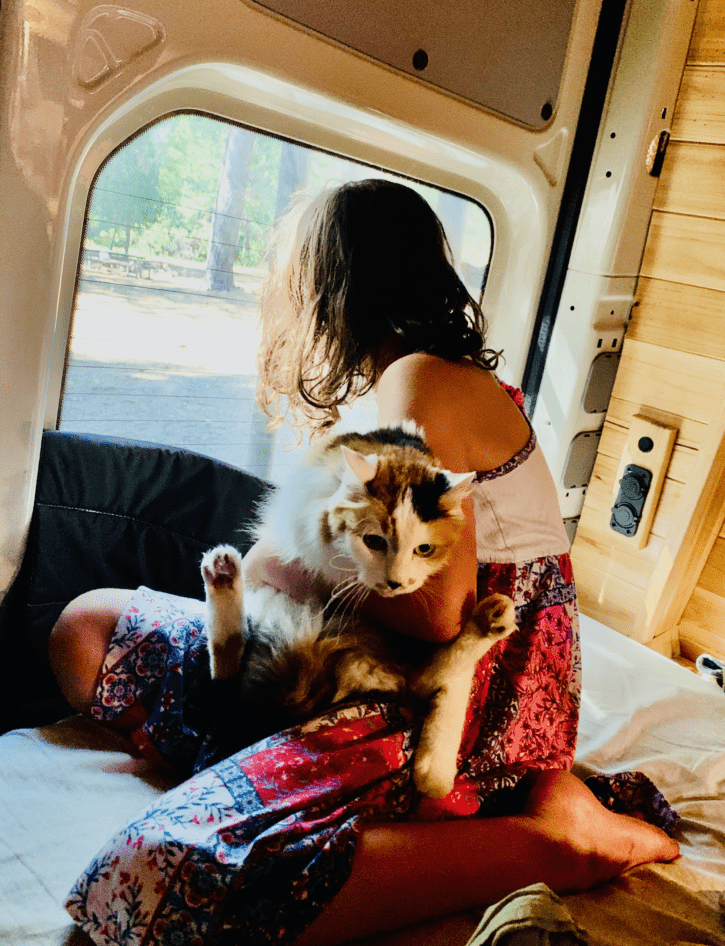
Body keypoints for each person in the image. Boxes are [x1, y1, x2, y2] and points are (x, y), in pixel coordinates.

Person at [50, 179, 678, 946]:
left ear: (334, 293)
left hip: (451, 700)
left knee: (158, 874)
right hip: (322, 647)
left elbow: (437, 611)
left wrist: (290, 567)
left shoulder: (419, 381)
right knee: (87, 628)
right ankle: (264, 759)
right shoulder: (420, 382)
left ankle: (556, 843)